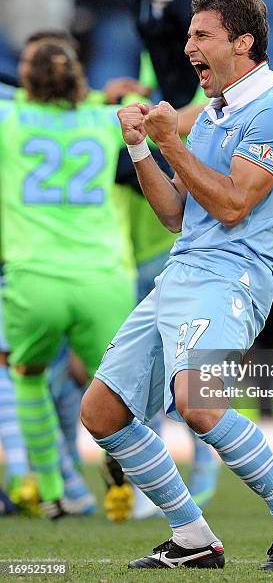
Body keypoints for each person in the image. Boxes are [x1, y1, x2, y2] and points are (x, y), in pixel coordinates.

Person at [81, 0, 273, 571]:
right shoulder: (216, 115)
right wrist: (142, 150)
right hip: (182, 272)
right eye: (189, 35)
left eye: (200, 35)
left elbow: (235, 205)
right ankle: (192, 538)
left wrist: (172, 140)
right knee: (102, 411)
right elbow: (174, 213)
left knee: (198, 400)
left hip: (233, 278)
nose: (187, 47)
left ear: (242, 43)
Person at [0, 37, 135, 518]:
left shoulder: (8, 119)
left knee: (28, 376)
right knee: (117, 388)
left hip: (34, 279)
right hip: (104, 278)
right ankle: (122, 478)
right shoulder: (104, 120)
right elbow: (170, 121)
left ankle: (53, 490)